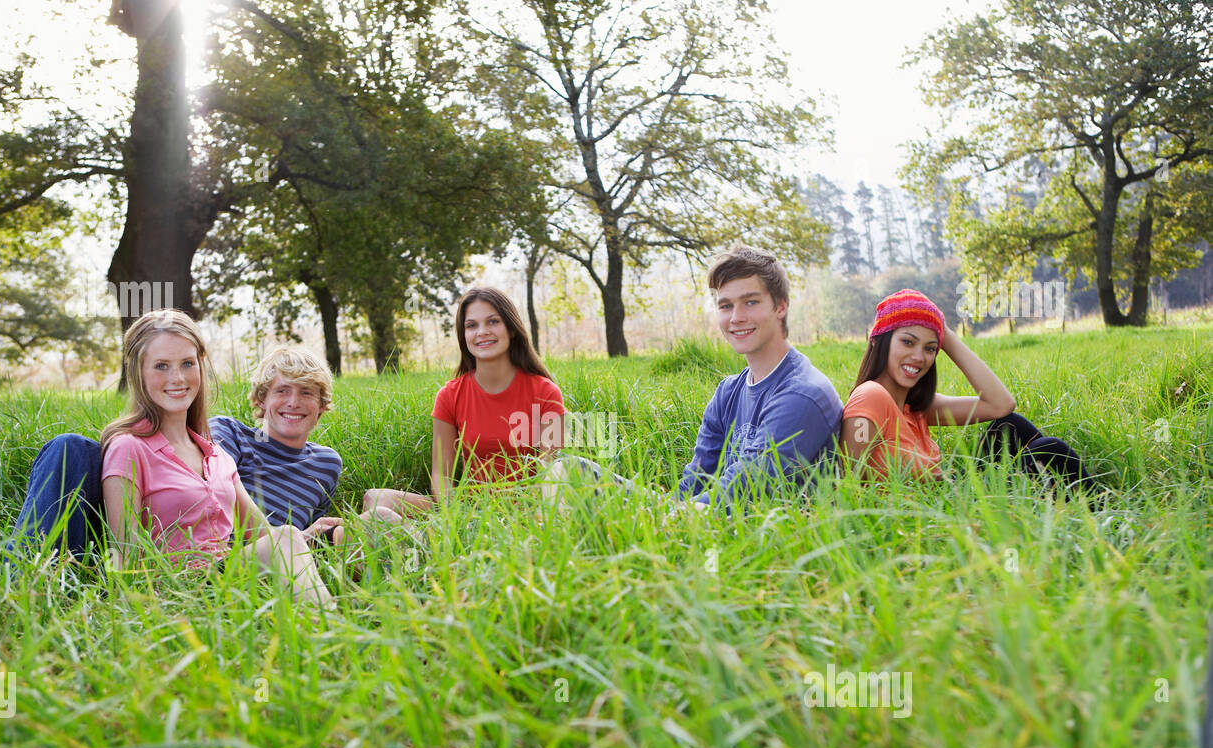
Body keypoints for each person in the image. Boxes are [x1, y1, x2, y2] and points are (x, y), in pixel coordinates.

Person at [547, 244, 844, 514]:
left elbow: (748, 489)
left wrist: (671, 517)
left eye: (750, 302)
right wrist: (670, 511)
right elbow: (696, 480)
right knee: (567, 472)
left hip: (752, 531)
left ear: (781, 306)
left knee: (584, 501)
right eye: (725, 306)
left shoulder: (803, 393)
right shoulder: (728, 391)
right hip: (701, 515)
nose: (736, 317)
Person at [6, 345, 346, 560]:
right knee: (72, 449)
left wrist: (305, 538)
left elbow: (260, 526)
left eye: (307, 394)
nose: (293, 402)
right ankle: (24, 573)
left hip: (267, 551)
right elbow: (187, 485)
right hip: (197, 551)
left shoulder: (327, 463)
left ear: (322, 406)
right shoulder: (228, 436)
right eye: (282, 391)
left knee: (353, 528)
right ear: (260, 401)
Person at [840, 288, 1098, 493]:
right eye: (908, 342)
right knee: (1049, 450)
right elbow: (849, 481)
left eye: (930, 348)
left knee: (1009, 425)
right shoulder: (871, 396)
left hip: (950, 495)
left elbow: (1001, 404)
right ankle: (1099, 512)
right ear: (879, 341)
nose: (919, 357)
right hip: (933, 522)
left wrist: (945, 334)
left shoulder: (916, 407)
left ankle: (1063, 505)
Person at [360, 287, 566, 523]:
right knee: (376, 499)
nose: (482, 332)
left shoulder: (546, 391)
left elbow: (549, 473)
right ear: (463, 334)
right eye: (471, 325)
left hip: (529, 509)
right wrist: (454, 516)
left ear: (511, 328)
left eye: (493, 322)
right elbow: (441, 474)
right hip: (470, 508)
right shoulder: (449, 395)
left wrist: (521, 515)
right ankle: (430, 542)